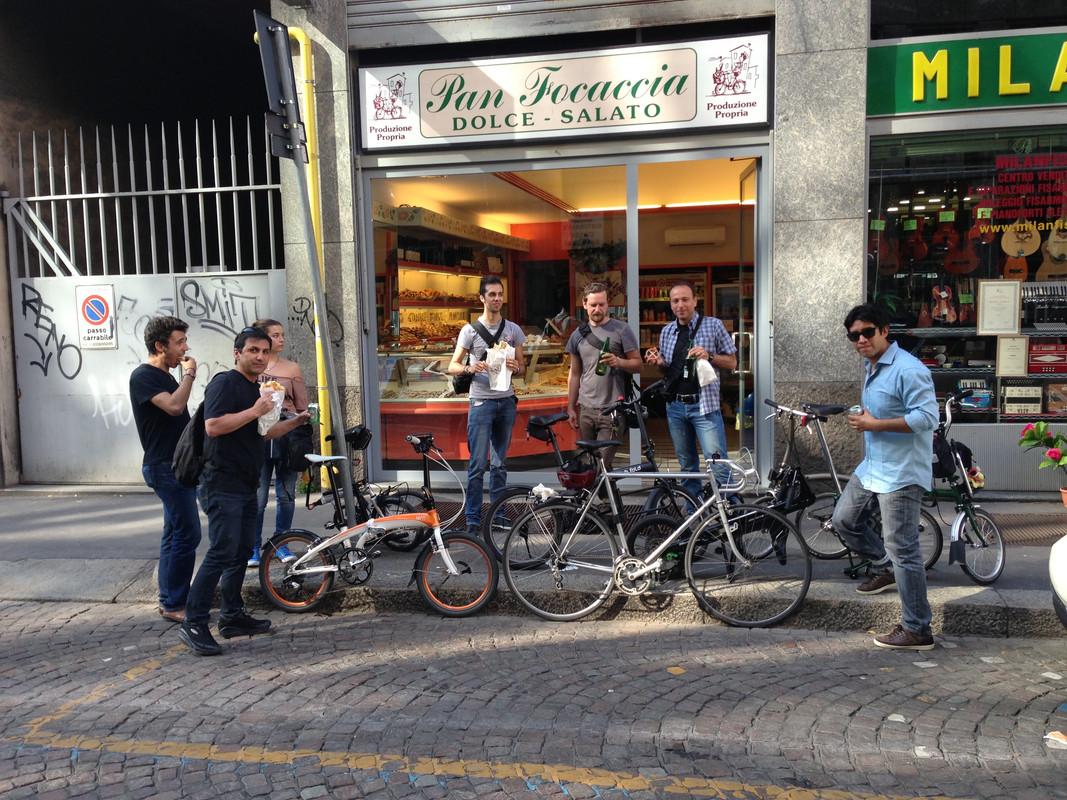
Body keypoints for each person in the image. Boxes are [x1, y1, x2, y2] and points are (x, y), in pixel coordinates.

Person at [178, 326, 311, 656]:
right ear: (237, 353)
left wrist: (296, 421)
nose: (260, 356)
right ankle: (194, 622)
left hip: (246, 482)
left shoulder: (257, 388)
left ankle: (232, 616)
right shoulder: (225, 383)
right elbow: (213, 426)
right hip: (221, 482)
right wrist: (256, 410)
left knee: (239, 552)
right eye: (253, 350)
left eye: (265, 351)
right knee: (222, 552)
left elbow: (262, 433)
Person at [831, 302, 939, 650]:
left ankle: (917, 628)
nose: (861, 340)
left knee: (904, 550)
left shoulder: (908, 369)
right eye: (854, 336)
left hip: (902, 472)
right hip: (873, 466)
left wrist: (874, 424)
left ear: (885, 331)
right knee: (844, 520)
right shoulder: (872, 366)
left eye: (867, 332)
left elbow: (927, 418)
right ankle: (883, 566)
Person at [129, 316, 202, 624]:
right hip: (164, 466)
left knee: (173, 533)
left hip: (176, 465)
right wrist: (190, 375)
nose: (185, 348)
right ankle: (174, 602)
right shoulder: (144, 376)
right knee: (188, 533)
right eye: (179, 342)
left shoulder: (165, 376)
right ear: (160, 346)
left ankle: (169, 599)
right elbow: (174, 407)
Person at [447, 275, 526, 534]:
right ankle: (472, 519)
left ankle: (498, 515)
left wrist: (516, 366)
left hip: (506, 401)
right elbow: (452, 365)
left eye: (500, 294)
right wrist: (470, 368)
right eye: (492, 294)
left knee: (500, 464)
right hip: (481, 402)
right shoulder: (469, 331)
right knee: (477, 465)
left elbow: (523, 369)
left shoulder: (513, 330)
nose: (497, 298)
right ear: (482, 298)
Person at [644, 281, 737, 498]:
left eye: (685, 299)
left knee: (718, 465)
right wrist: (659, 364)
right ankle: (693, 512)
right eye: (675, 301)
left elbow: (732, 362)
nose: (680, 305)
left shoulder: (713, 326)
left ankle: (732, 513)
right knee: (687, 468)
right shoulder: (667, 332)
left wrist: (709, 355)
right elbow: (667, 371)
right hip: (676, 407)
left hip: (705, 407)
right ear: (670, 304)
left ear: (695, 301)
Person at [249, 317, 308, 567]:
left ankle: (281, 543)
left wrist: (303, 427)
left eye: (282, 334)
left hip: (287, 434)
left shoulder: (292, 368)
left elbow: (302, 404)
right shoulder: (251, 366)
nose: (281, 339)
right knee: (258, 496)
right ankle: (252, 546)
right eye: (276, 335)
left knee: (286, 494)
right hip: (259, 434)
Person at [565, 282, 642, 470]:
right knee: (596, 466)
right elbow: (574, 374)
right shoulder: (577, 335)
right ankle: (608, 491)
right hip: (586, 408)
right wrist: (570, 407)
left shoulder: (622, 329)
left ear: (608, 304)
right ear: (584, 304)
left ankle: (595, 489)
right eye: (593, 305)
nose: (598, 309)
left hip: (613, 409)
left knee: (600, 465)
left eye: (602, 304)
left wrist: (619, 362)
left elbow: (638, 365)